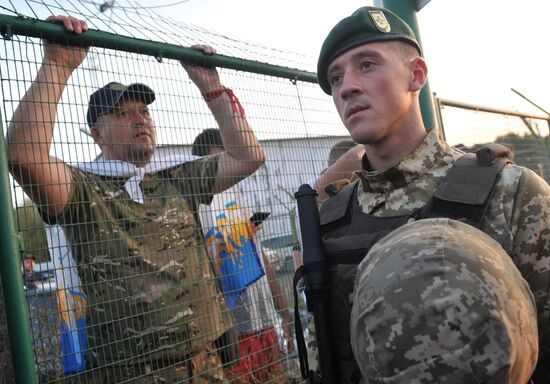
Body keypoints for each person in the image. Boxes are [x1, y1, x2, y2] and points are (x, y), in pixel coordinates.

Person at [6, 15, 266, 383]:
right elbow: (23, 155)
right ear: (96, 134)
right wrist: (57, 66)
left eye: (144, 111)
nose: (140, 120)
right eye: (123, 113)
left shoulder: (175, 177)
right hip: (132, 374)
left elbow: (249, 156)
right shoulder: (83, 189)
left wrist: (211, 86)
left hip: (207, 365)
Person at [307, 5, 550, 383]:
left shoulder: (513, 194)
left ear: (416, 75)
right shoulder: (329, 220)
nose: (347, 87)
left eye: (367, 64)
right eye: (335, 79)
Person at [193, 128, 294, 383]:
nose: (231, 164)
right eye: (222, 157)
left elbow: (263, 264)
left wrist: (284, 314)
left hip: (266, 327)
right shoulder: (197, 208)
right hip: (233, 337)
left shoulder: (238, 200)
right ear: (204, 164)